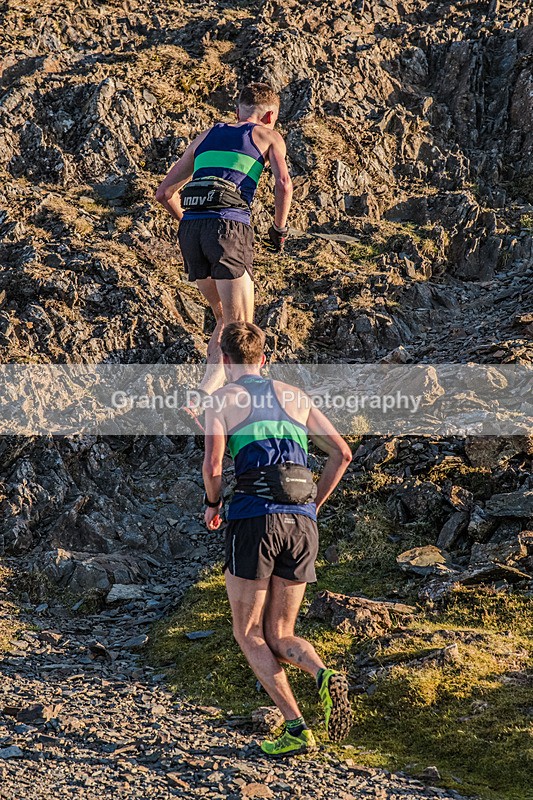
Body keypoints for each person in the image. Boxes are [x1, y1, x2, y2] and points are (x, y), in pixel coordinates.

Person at [202, 321, 353, 756]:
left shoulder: (222, 400)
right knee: (281, 632)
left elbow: (213, 468)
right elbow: (341, 453)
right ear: (265, 359)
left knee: (249, 631)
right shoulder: (297, 397)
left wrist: (213, 505)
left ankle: (296, 727)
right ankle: (322, 673)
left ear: (225, 361)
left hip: (254, 519)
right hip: (302, 522)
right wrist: (314, 505)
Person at [155, 83, 293, 414]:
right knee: (240, 327)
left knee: (221, 318)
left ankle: (214, 393)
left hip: (191, 229)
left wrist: (190, 224)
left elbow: (163, 193)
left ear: (237, 111)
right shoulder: (267, 135)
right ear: (270, 115)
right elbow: (284, 185)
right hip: (229, 227)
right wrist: (279, 229)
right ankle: (212, 400)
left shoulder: (207, 134)